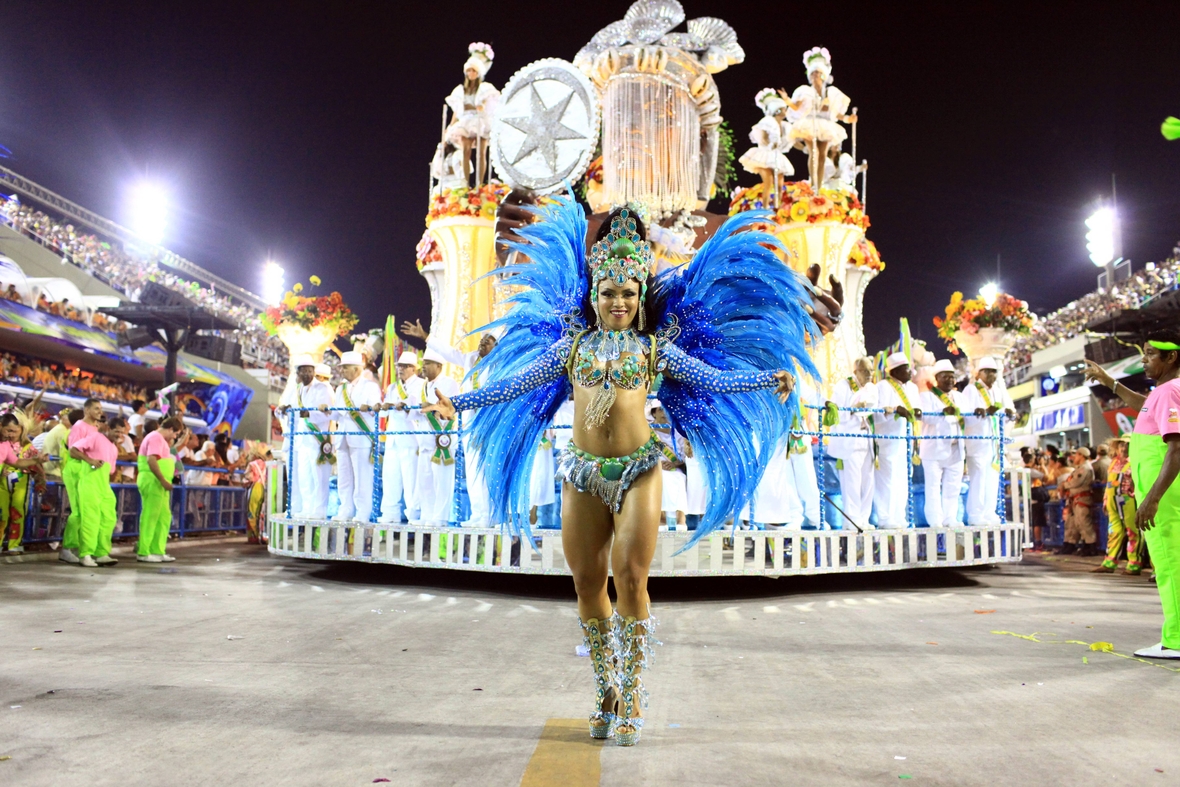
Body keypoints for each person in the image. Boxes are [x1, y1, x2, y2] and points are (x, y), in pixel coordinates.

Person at [424, 201, 809, 745]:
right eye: (609, 293)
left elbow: (710, 378)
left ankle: (632, 691)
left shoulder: (656, 350)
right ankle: (605, 684)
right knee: (585, 583)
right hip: (581, 472)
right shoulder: (572, 347)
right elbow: (515, 385)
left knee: (630, 576)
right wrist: (459, 404)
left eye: (628, 293)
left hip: (639, 470)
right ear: (594, 296)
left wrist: (764, 380)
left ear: (640, 297)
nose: (619, 302)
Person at [1086, 332, 1180, 658]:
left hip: (1163, 496)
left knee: (1169, 565)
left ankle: (1176, 640)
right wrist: (1109, 382)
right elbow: (1144, 407)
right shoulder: (1162, 393)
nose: (1144, 360)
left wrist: (1152, 498)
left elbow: (1176, 449)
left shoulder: (1170, 390)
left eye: (1151, 354)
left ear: (1171, 358)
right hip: (1161, 493)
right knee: (1170, 563)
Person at [402, 318, 499, 528]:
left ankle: (491, 515)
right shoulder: (471, 359)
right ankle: (478, 514)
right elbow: (448, 353)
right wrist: (425, 337)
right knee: (473, 469)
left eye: (488, 341)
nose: (482, 343)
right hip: (470, 422)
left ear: (497, 346)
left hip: (490, 422)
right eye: (482, 339)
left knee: (488, 468)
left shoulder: (500, 364)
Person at [782, 46, 857, 190]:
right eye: (813, 73)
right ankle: (813, 183)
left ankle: (819, 184)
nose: (815, 75)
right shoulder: (805, 91)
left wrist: (848, 119)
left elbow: (837, 113)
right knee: (813, 152)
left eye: (818, 73)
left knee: (822, 155)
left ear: (823, 75)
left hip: (825, 125)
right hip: (810, 124)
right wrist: (787, 101)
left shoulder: (830, 92)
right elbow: (797, 107)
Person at [277, 355, 334, 519]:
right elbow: (289, 412)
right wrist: (283, 410)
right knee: (305, 477)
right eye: (304, 371)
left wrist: (308, 413)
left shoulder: (322, 389)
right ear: (298, 373)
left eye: (310, 371)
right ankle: (308, 509)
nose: (308, 374)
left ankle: (319, 511)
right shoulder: (297, 390)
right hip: (302, 441)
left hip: (318, 440)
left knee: (319, 478)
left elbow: (326, 414)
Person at [960, 356, 1015, 525]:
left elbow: (997, 416)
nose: (991, 375)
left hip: (992, 442)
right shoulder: (970, 390)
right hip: (977, 442)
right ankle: (975, 515)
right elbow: (965, 416)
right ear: (979, 374)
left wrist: (1007, 416)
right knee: (978, 478)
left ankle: (989, 512)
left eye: (994, 372)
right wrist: (983, 412)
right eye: (988, 371)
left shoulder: (996, 391)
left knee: (992, 478)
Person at [826, 356, 878, 529]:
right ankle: (852, 520)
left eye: (871, 370)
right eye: (865, 371)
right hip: (850, 439)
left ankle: (864, 519)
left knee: (868, 482)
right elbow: (836, 412)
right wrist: (853, 410)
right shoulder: (844, 385)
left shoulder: (871, 388)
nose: (869, 374)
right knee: (852, 483)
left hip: (867, 440)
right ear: (855, 371)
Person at [331, 350, 381, 523]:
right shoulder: (340, 389)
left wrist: (370, 407)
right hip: (342, 436)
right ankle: (345, 509)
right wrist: (327, 410)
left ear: (356, 369)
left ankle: (362, 512)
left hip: (361, 436)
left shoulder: (370, 386)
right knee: (344, 477)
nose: (342, 371)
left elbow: (377, 409)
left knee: (362, 478)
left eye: (345, 368)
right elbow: (336, 413)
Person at [68, 403, 119, 568]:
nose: (119, 435)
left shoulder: (113, 447)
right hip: (87, 479)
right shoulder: (92, 434)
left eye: (121, 431)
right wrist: (90, 461)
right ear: (107, 428)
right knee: (89, 518)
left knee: (108, 517)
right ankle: (85, 553)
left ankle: (101, 552)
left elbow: (110, 470)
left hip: (103, 484)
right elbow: (73, 450)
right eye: (116, 431)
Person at [414, 348, 460, 528]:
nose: (423, 367)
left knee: (442, 480)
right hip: (425, 439)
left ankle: (440, 517)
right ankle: (428, 513)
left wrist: (429, 405)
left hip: (443, 439)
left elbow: (448, 407)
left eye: (427, 363)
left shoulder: (449, 383)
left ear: (439, 366)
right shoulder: (424, 385)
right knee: (425, 481)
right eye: (423, 363)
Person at [874, 352, 921, 527]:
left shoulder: (913, 388)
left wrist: (917, 412)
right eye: (906, 368)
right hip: (888, 440)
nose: (910, 372)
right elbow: (878, 413)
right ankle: (885, 518)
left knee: (903, 478)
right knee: (887, 479)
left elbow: (917, 410)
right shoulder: (883, 386)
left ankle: (899, 516)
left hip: (907, 440)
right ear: (895, 371)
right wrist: (894, 409)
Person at [378, 352, 424, 524]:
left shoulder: (421, 385)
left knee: (411, 477)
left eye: (405, 366)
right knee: (390, 475)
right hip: (393, 436)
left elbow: (419, 410)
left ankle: (414, 513)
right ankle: (390, 512)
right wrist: (385, 406)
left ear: (414, 368)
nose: (401, 369)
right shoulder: (392, 387)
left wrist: (405, 406)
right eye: (399, 366)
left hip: (411, 436)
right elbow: (384, 411)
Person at [444, 42, 499, 186]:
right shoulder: (461, 90)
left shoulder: (485, 88)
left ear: (478, 72)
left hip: (480, 120)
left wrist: (483, 107)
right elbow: (456, 110)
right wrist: (450, 126)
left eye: (473, 71)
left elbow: (492, 103)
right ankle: (466, 183)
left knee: (481, 153)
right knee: (465, 152)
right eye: (469, 71)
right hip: (466, 121)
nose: (471, 73)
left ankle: (480, 184)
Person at [918, 359, 965, 526]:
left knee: (953, 488)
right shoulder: (926, 396)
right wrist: (942, 411)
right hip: (933, 450)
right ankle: (935, 522)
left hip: (955, 449)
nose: (950, 380)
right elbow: (924, 417)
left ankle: (950, 518)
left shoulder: (959, 397)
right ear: (937, 378)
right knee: (932, 489)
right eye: (946, 377)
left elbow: (967, 418)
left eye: (952, 377)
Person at [136, 417, 183, 563]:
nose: (174, 437)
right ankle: (144, 551)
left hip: (159, 483)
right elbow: (151, 460)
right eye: (175, 434)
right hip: (153, 481)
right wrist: (163, 479)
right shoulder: (155, 437)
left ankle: (157, 550)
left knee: (163, 517)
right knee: (151, 516)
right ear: (170, 429)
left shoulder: (161, 440)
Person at [1094, 438, 1142, 574]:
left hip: (1128, 500)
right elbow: (1109, 482)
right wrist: (1105, 500)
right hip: (1112, 500)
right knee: (1113, 531)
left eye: (1128, 444)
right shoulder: (1113, 463)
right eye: (1122, 444)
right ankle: (1109, 562)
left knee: (1133, 531)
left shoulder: (1135, 461)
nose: (1124, 447)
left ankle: (1134, 563)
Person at [738, 88, 794, 206]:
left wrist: (804, 148)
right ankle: (765, 208)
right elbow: (761, 136)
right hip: (765, 154)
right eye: (783, 109)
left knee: (779, 184)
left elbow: (791, 139)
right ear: (777, 110)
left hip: (777, 155)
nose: (785, 111)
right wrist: (769, 143)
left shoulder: (785, 126)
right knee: (768, 183)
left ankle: (777, 207)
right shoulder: (768, 121)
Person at [0, 412, 45, 554]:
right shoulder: (5, 443)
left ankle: (14, 544)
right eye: (9, 431)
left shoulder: (27, 446)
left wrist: (40, 479)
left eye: (15, 431)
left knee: (17, 513)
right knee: (2, 514)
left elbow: (21, 462)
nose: (11, 434)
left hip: (21, 482)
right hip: (2, 483)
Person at [1058, 447, 1097, 555]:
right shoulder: (1079, 468)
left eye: (1076, 455)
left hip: (1082, 499)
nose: (1074, 457)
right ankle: (1070, 544)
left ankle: (1091, 546)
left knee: (1084, 523)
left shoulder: (1085, 468)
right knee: (1073, 524)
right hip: (1075, 499)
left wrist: (1064, 485)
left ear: (1081, 455)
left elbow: (1076, 482)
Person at [243, 442, 272, 544]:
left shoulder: (253, 464)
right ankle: (263, 535)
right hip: (266, 488)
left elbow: (248, 478)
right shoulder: (268, 464)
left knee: (252, 512)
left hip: (255, 487)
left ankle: (253, 536)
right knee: (262, 512)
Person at [108, 416, 137, 483]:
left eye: (121, 433)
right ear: (109, 429)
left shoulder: (122, 448)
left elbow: (134, 457)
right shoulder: (101, 441)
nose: (120, 435)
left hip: (118, 480)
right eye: (117, 432)